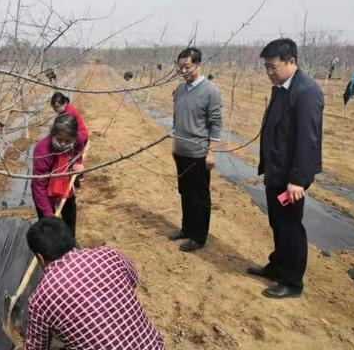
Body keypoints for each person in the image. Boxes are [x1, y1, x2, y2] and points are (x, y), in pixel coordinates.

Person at [247, 38, 324, 299]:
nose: (269, 72)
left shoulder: (306, 92)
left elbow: (308, 140)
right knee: (277, 222)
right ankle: (277, 266)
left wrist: (298, 180)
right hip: (276, 172)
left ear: (292, 62)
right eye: (266, 67)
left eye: (273, 67)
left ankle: (292, 282)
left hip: (291, 178)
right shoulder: (282, 87)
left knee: (290, 226)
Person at [24, 218, 165, 350]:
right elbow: (133, 281)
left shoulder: (40, 299)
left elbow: (36, 347)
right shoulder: (109, 254)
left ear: (40, 258)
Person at [168, 47, 223, 252]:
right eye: (180, 67)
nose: (183, 71)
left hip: (199, 153)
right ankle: (187, 228)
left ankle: (198, 237)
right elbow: (177, 117)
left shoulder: (210, 91)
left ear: (198, 65)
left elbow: (216, 124)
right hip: (180, 151)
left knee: (199, 196)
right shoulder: (181, 89)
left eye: (187, 67)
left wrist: (212, 152)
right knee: (185, 192)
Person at [31, 113, 84, 236]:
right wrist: (49, 215)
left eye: (68, 141)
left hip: (65, 182)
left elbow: (80, 145)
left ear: (74, 137)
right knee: (48, 228)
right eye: (59, 139)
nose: (63, 144)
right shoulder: (42, 151)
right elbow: (39, 186)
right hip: (44, 191)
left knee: (70, 217)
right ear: (53, 134)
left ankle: (70, 245)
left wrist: (78, 161)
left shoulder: (77, 139)